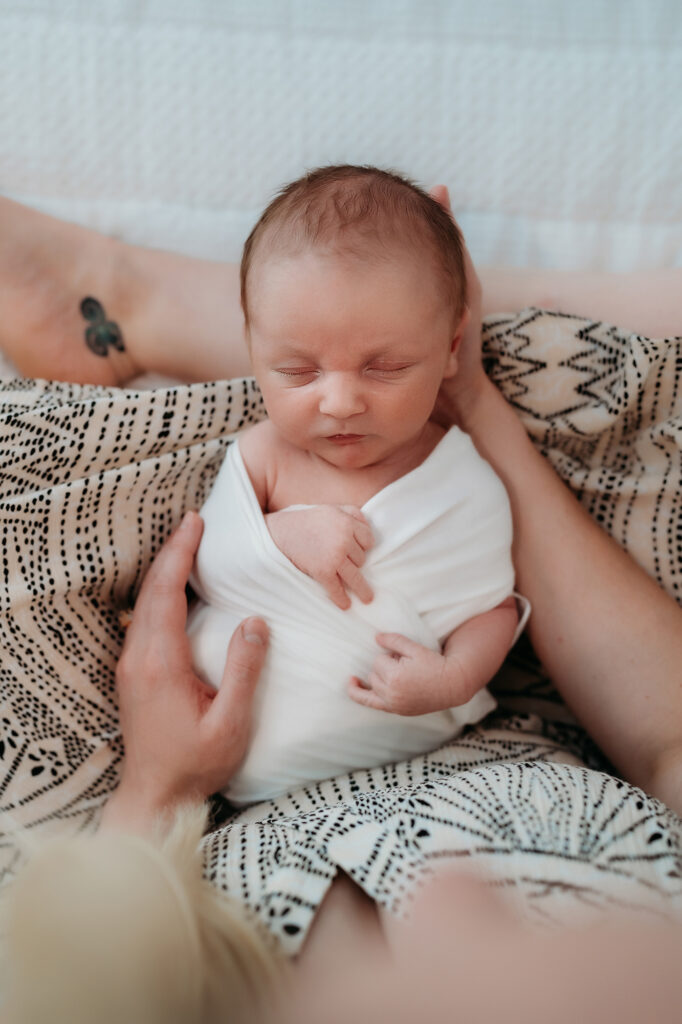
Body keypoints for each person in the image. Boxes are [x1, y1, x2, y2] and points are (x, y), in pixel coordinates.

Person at [0, 189, 681, 1023]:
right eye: (296, 368)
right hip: (512, 757)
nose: (449, 895)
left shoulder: (139, 984)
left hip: (221, 806)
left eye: (381, 365)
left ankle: (124, 306)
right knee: (610, 377)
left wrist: (154, 787)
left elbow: (226, 553)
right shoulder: (345, 457)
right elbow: (514, 619)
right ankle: (147, 306)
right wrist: (460, 395)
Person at [186, 165, 522, 803]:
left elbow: (493, 609)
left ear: (452, 348)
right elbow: (206, 567)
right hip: (220, 756)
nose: (339, 401)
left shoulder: (465, 484)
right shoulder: (263, 456)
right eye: (296, 370)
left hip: (400, 773)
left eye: (386, 367)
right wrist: (281, 536)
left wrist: (453, 677)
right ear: (252, 351)